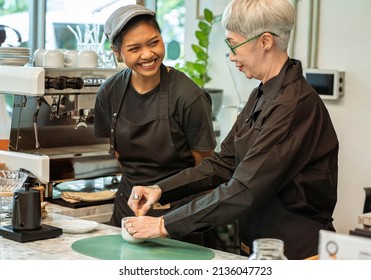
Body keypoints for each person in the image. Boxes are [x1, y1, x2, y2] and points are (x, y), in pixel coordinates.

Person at [125, 0, 339, 260]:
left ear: (265, 41)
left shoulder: (294, 105)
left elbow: (245, 188)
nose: (231, 55)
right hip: (258, 246)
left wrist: (163, 225)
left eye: (232, 44)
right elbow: (223, 164)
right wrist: (161, 189)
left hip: (298, 254)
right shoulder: (262, 94)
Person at [94, 5, 216, 227]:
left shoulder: (188, 97)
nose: (148, 54)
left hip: (177, 217)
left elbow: (205, 171)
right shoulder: (109, 92)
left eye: (153, 43)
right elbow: (120, 157)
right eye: (134, 48)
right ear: (116, 51)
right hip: (127, 212)